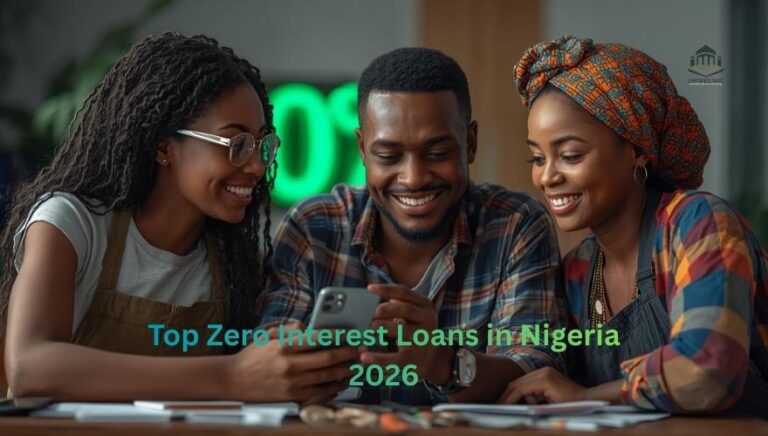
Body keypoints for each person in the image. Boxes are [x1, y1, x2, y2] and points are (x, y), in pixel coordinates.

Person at [0, 33, 356, 401]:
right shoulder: (71, 224)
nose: (256, 166)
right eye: (236, 145)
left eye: (263, 145)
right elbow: (31, 367)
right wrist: (232, 377)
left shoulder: (232, 261)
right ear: (164, 147)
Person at [259, 47, 566, 405]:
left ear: (470, 143)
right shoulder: (312, 229)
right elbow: (268, 366)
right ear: (362, 149)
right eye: (388, 156)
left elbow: (533, 372)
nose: (414, 178)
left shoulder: (515, 225)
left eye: (437, 153)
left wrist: (440, 361)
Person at [498, 35, 768, 417]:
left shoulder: (696, 224)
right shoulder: (578, 270)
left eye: (570, 155)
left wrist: (583, 397)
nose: (546, 177)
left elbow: (709, 370)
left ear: (637, 148)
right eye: (537, 158)